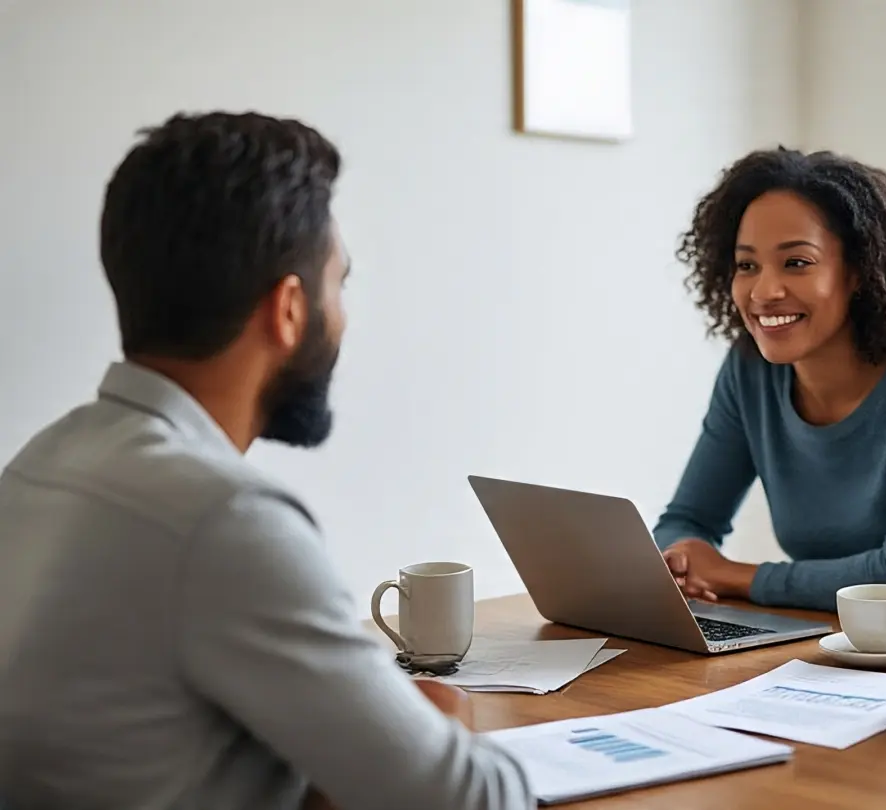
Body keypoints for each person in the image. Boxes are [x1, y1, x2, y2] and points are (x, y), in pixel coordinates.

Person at [0, 112, 532, 810]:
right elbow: (474, 801)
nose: (341, 315)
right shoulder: (223, 519)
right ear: (287, 309)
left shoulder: (38, 466)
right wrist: (445, 722)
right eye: (338, 284)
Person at [652, 147, 886, 613]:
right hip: (819, 639)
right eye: (746, 265)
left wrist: (734, 576)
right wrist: (680, 562)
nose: (764, 292)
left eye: (796, 262)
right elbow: (687, 520)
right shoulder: (750, 368)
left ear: (858, 270)